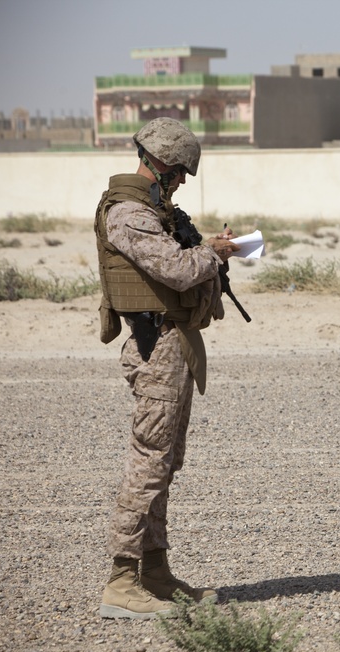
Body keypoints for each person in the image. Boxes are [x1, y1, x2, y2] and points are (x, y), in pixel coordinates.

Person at [94, 117, 240, 619]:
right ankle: (121, 578)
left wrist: (210, 252)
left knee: (165, 462)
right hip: (155, 347)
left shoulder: (157, 211)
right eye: (177, 173)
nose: (179, 183)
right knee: (149, 460)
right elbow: (176, 269)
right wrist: (212, 253)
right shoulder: (128, 213)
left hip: (174, 347)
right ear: (156, 162)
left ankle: (154, 571)